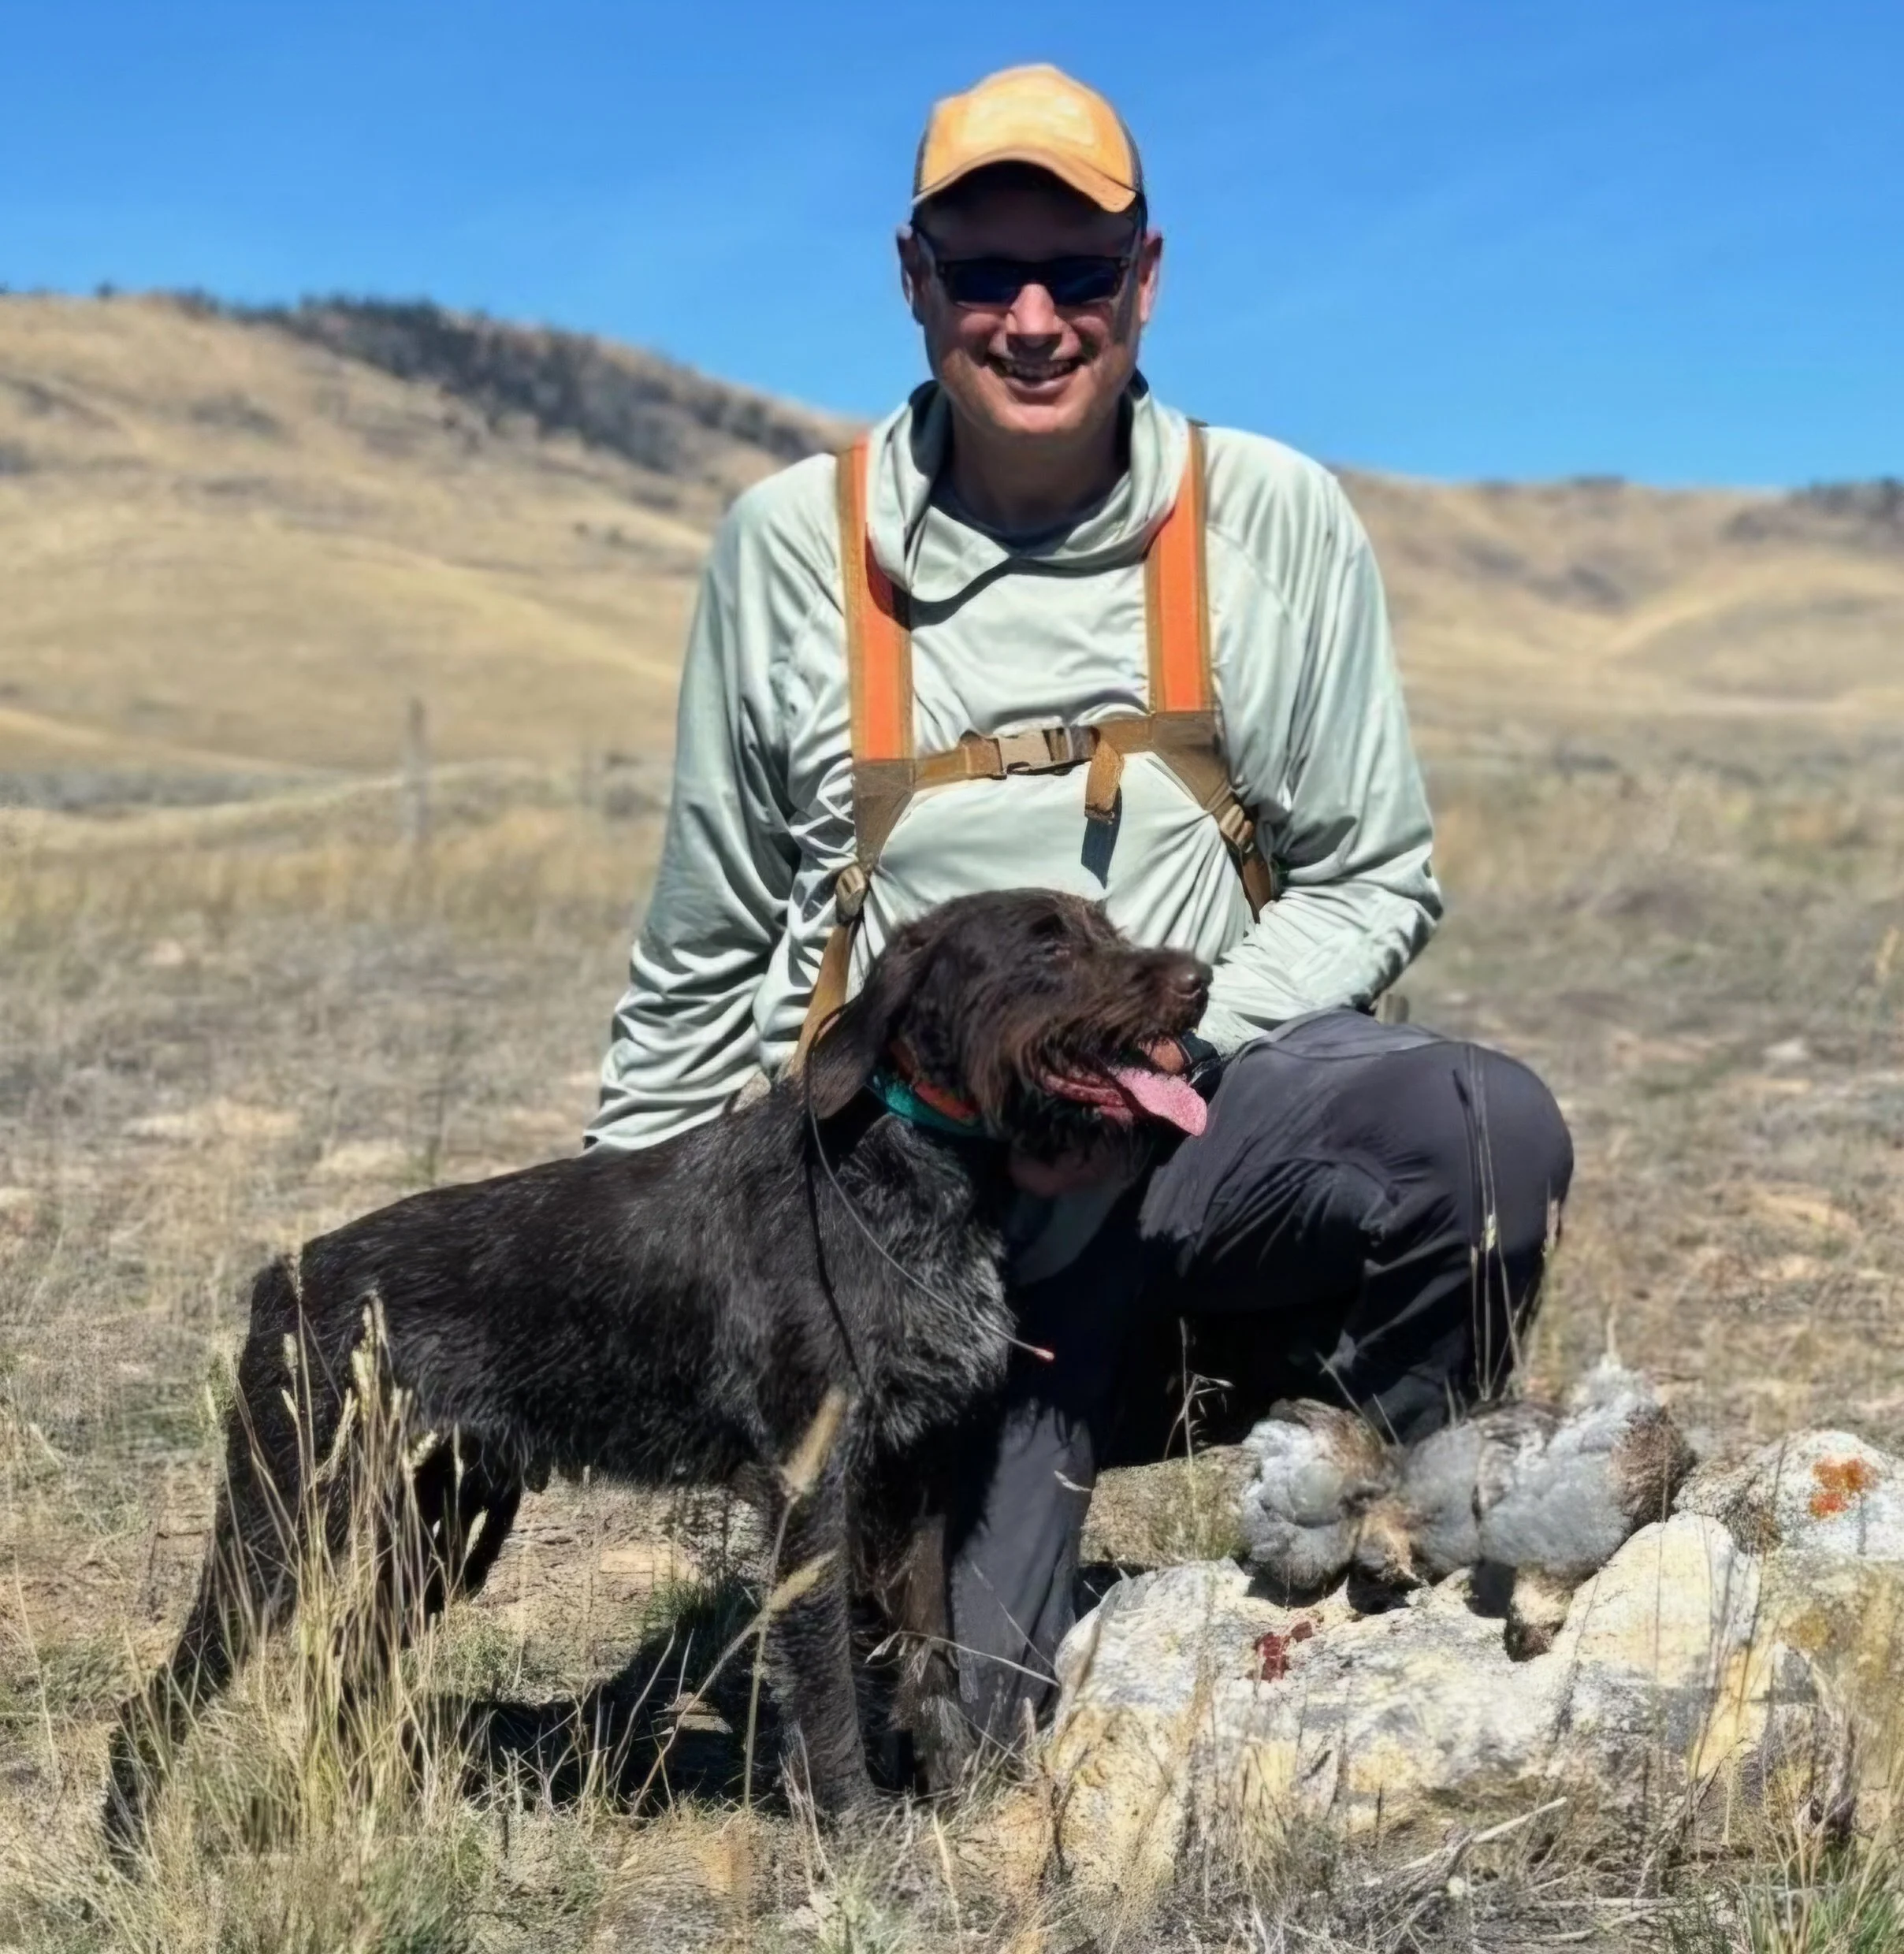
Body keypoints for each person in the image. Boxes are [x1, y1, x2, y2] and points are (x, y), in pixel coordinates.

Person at [589, 64, 1572, 1763]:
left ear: (1147, 276)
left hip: (1184, 1149)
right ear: (913, 282)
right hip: (906, 1228)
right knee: (970, 1740)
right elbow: (705, 937)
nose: (1031, 317)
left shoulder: (1264, 514)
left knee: (1474, 1134)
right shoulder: (787, 548)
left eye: (1079, 270)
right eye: (982, 274)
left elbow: (1370, 871)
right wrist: (621, 1266)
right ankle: (951, 1517)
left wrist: (1159, 1072)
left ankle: (1356, 1520)